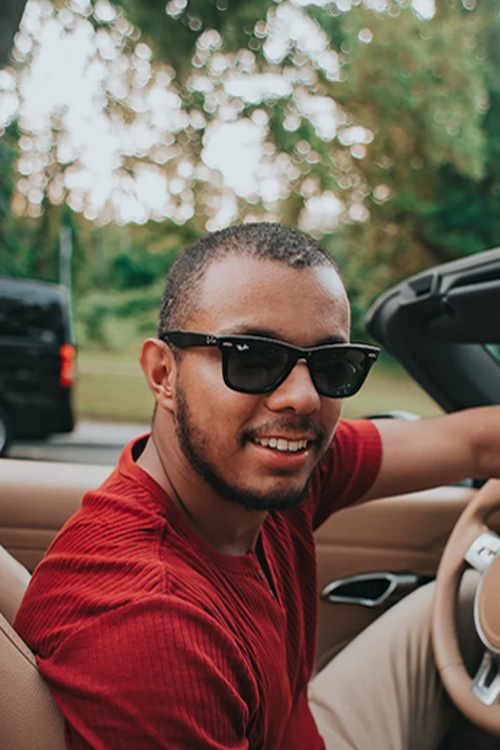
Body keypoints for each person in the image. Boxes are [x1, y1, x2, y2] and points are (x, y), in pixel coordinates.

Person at [14, 223, 500, 750]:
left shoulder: (271, 465)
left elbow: (476, 445)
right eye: (252, 357)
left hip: (302, 727)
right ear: (163, 374)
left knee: (466, 597)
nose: (303, 398)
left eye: (332, 365)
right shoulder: (150, 632)